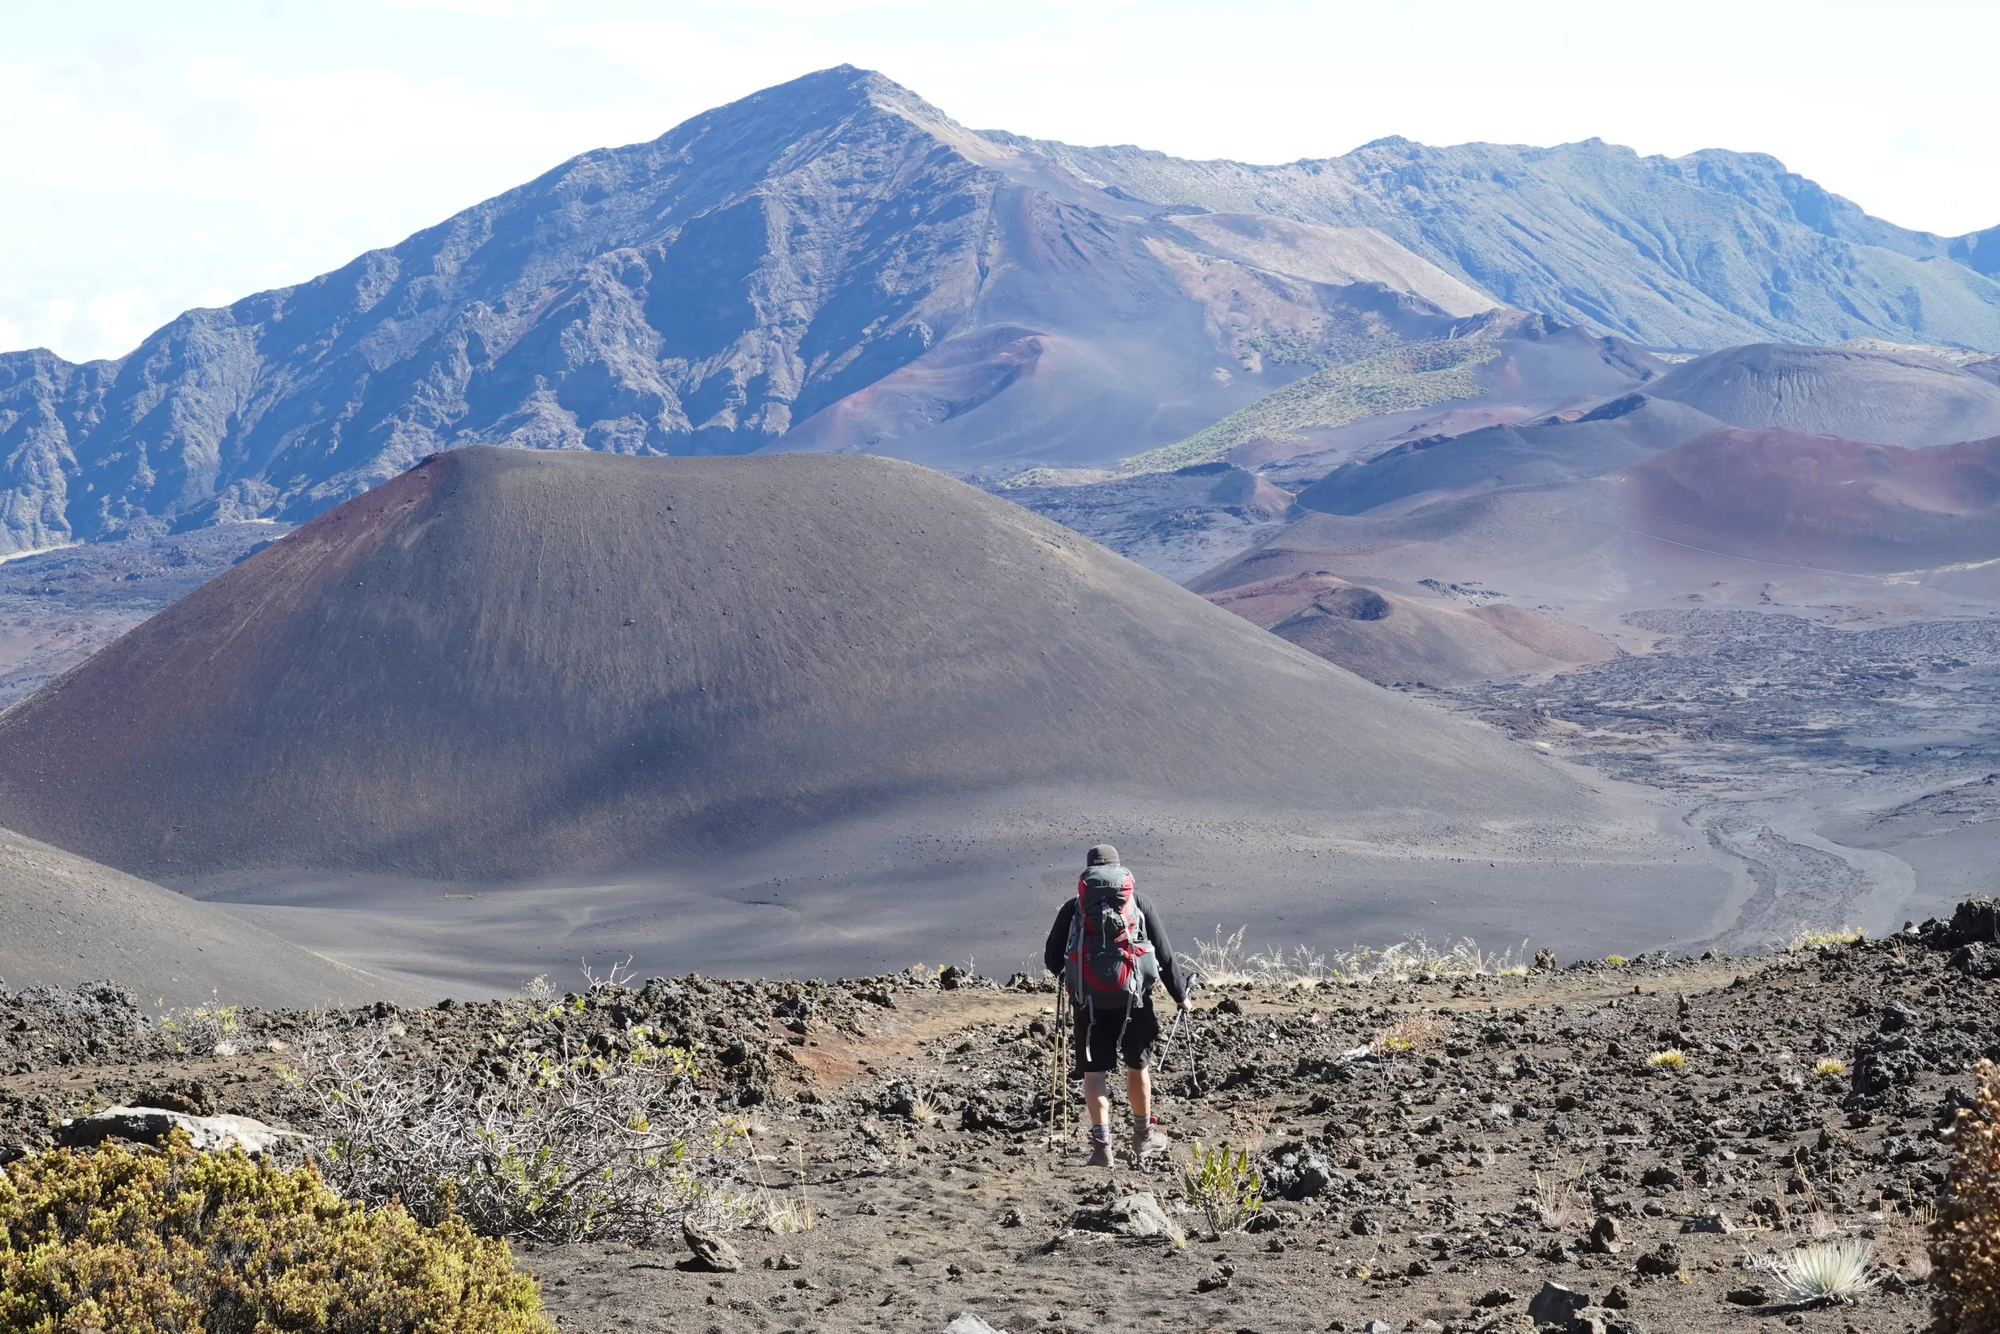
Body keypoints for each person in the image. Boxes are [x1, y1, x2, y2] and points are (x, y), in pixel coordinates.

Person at [1043, 843, 1188, 1166]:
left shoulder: (1074, 907)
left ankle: (1102, 1147)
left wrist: (1077, 978)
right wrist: (1180, 995)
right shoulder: (1138, 903)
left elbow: (1052, 959)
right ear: (1120, 871)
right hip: (1134, 1000)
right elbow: (1164, 955)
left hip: (1088, 1003)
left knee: (1094, 1074)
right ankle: (1143, 1136)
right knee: (1137, 1066)